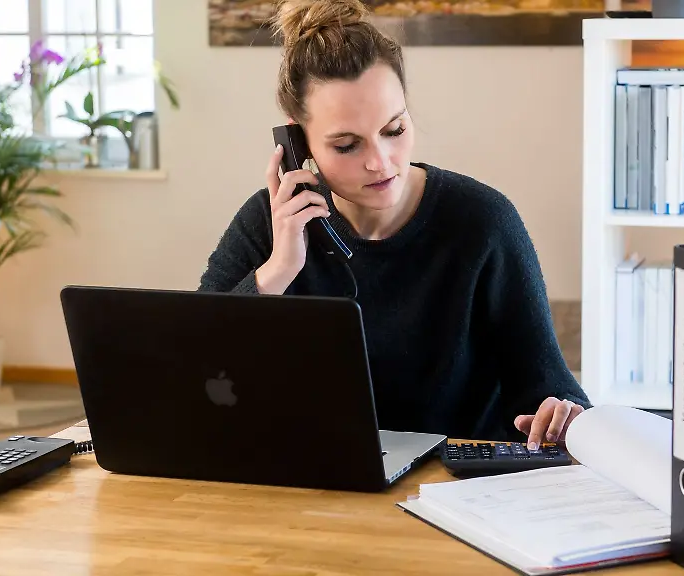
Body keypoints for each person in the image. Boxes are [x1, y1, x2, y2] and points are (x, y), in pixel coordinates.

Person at [198, 0, 591, 448]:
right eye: (347, 145)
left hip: (456, 490)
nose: (381, 163)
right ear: (297, 143)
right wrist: (277, 272)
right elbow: (195, 372)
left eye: (394, 129)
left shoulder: (483, 222)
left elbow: (552, 389)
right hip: (315, 485)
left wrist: (564, 415)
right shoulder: (269, 223)